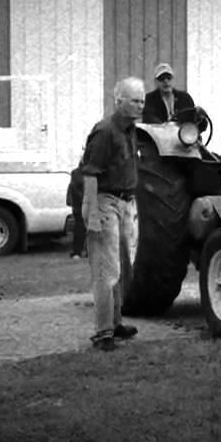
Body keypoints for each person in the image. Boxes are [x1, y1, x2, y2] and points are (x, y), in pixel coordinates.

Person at [81, 76, 144, 351]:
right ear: (118, 101)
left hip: (125, 204)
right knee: (107, 270)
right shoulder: (105, 131)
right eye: (134, 101)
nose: (140, 105)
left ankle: (116, 324)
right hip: (105, 203)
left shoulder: (131, 130)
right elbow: (90, 173)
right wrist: (91, 212)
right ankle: (103, 333)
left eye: (142, 100)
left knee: (120, 267)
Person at [66, 160, 86, 259]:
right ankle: (80, 251)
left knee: (79, 229)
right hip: (82, 205)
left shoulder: (75, 173)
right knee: (82, 229)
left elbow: (74, 189)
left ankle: (78, 251)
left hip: (79, 205)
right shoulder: (88, 174)